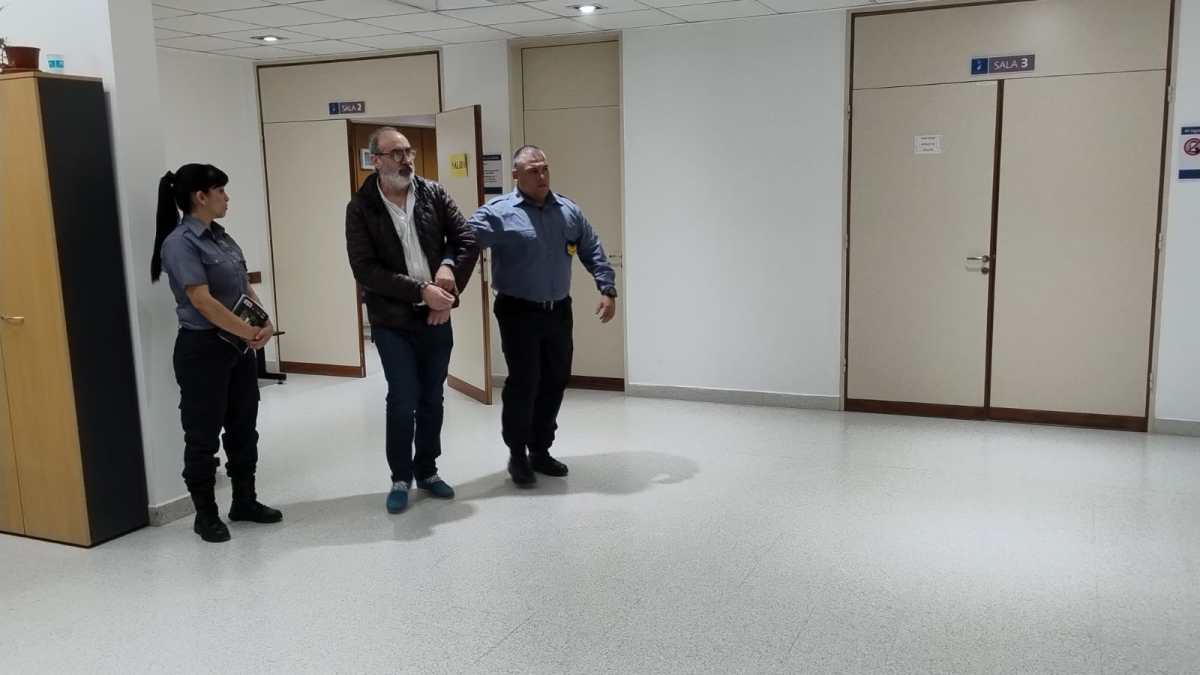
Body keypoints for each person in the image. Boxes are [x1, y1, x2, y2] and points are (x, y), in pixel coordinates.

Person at [345, 127, 479, 514]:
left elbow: (467, 240)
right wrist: (422, 291)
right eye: (396, 153)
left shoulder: (433, 193)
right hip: (392, 320)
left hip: (437, 316)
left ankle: (428, 471)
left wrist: (448, 278)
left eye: (409, 152)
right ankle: (400, 477)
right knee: (403, 399)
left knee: (432, 397)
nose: (406, 160)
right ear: (376, 160)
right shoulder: (361, 207)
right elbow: (366, 270)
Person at [468, 145, 618, 488]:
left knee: (555, 380)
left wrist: (607, 288)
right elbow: (464, 242)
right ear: (516, 175)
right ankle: (517, 453)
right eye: (533, 171)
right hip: (518, 311)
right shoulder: (498, 213)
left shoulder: (568, 211)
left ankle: (540, 449)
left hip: (558, 311)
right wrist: (446, 274)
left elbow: (591, 248)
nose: (541, 176)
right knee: (524, 383)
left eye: (545, 169)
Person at [151, 164, 282, 543]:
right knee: (202, 435)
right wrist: (248, 332)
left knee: (243, 427)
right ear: (200, 196)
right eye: (220, 191)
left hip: (238, 348)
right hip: (203, 351)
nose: (227, 197)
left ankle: (245, 501)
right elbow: (202, 301)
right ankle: (205, 515)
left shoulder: (222, 238)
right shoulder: (180, 243)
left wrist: (264, 322)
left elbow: (243, 288)